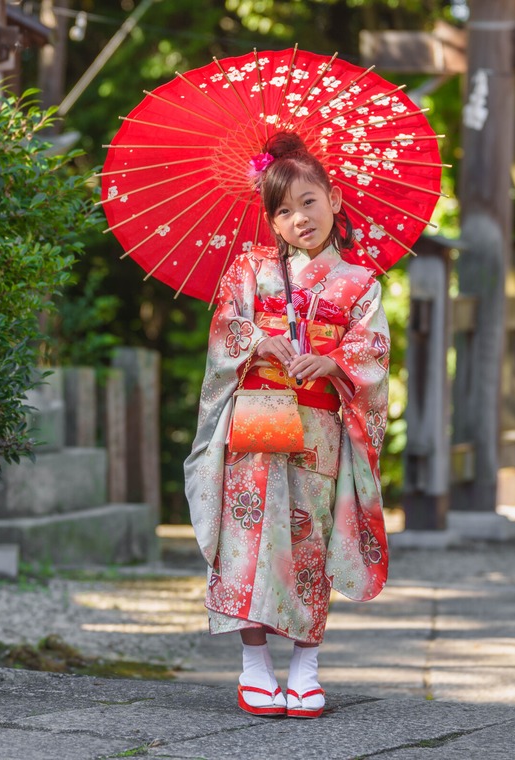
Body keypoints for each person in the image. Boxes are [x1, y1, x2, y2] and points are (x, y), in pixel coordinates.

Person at [183, 131, 391, 719]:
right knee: (248, 540)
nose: (299, 218)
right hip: (258, 422)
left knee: (308, 541)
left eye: (309, 202)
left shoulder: (359, 284)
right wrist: (258, 339)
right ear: (271, 222)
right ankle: (255, 666)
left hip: (319, 429)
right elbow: (225, 329)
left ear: (335, 201)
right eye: (283, 210)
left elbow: (371, 353)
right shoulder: (248, 271)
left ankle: (306, 666)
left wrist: (336, 360)